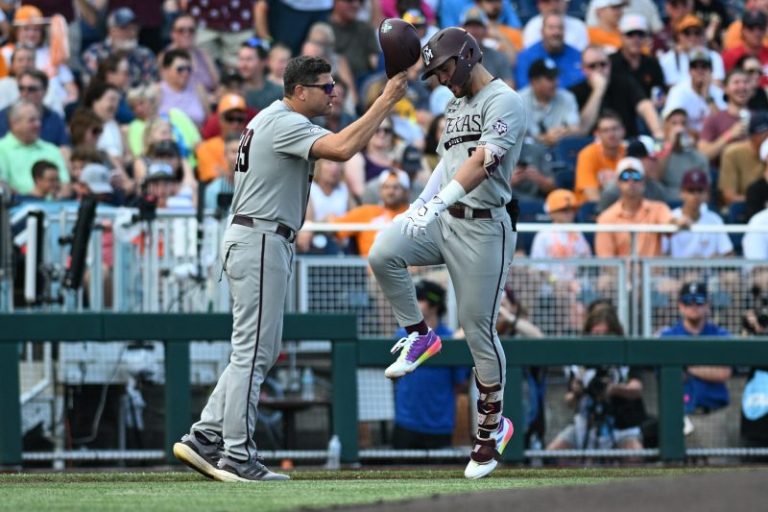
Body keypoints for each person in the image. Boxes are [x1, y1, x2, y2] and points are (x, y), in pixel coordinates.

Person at [172, 55, 407, 482]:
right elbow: (343, 148)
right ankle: (236, 455)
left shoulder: (276, 118)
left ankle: (204, 436)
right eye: (325, 86)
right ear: (300, 91)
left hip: (259, 237)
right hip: (260, 238)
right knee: (252, 351)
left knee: (258, 350)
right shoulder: (283, 121)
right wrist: (387, 99)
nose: (333, 92)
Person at [368, 27, 525, 480]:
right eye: (434, 72)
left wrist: (434, 205)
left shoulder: (505, 100)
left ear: (469, 56)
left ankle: (492, 428)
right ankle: (420, 334)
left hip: (484, 226)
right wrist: (422, 204)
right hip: (446, 219)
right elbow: (448, 160)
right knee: (384, 251)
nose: (439, 79)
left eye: (442, 68)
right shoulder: (455, 105)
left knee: (477, 330)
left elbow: (482, 160)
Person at [546, 303, 647, 453]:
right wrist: (576, 391)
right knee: (553, 452)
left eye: (605, 334)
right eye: (596, 334)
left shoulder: (626, 353)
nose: (600, 340)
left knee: (635, 453)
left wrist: (613, 389)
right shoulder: (580, 358)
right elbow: (569, 400)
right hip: (585, 425)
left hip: (622, 427)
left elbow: (636, 388)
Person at [392, 280, 470, 450]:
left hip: (440, 426)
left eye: (420, 299)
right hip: (406, 423)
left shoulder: (451, 339)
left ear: (434, 306)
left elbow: (460, 383)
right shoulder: (402, 335)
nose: (414, 303)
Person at [660, 282, 732, 451]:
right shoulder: (669, 336)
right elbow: (668, 377)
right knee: (678, 472)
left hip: (713, 415)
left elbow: (723, 373)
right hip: (679, 416)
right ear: (680, 306)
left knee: (719, 471)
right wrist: (704, 367)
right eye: (688, 301)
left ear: (707, 305)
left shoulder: (720, 335)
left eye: (699, 301)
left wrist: (688, 367)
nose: (693, 306)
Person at [595, 157, 689, 258]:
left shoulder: (658, 209)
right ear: (618, 182)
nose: (631, 181)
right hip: (620, 273)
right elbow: (606, 260)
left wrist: (679, 222)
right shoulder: (606, 218)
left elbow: (670, 223)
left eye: (636, 176)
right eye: (625, 176)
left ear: (643, 181)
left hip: (653, 273)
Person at [330, 169, 409, 257]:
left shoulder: (414, 215)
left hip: (405, 267)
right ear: (380, 190)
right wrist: (327, 218)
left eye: (395, 187)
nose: (390, 192)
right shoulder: (366, 212)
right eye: (386, 187)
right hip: (370, 267)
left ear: (406, 192)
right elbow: (333, 226)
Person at [665, 168, 734, 258]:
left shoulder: (714, 219)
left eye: (700, 190)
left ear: (707, 194)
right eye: (691, 191)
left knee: (730, 273)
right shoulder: (670, 217)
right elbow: (662, 254)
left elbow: (729, 254)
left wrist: (719, 258)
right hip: (677, 271)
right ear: (682, 193)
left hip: (708, 271)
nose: (696, 196)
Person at [515, 13, 584, 90]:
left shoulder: (578, 56)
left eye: (560, 28)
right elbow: (524, 89)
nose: (556, 32)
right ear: (542, 32)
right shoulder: (526, 57)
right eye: (551, 28)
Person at [573, 111, 626, 205]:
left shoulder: (628, 153)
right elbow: (591, 194)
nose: (611, 134)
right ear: (597, 134)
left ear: (623, 131)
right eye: (605, 130)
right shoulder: (587, 154)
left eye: (615, 129)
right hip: (592, 210)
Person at [719, 111, 768, 206]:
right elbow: (729, 197)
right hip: (745, 209)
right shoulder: (733, 153)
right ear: (753, 136)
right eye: (765, 134)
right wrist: (757, 199)